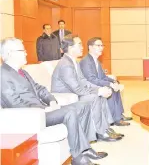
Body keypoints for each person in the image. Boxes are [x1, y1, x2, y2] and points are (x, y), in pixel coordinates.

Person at [0, 37, 107, 165]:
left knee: (83, 105)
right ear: (10, 53)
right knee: (70, 112)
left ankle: (84, 148)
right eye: (22, 50)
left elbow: (39, 89)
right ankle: (78, 157)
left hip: (43, 109)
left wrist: (51, 100)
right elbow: (15, 104)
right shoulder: (3, 75)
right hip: (32, 117)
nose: (26, 52)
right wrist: (43, 109)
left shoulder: (21, 71)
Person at [51, 34, 124, 141]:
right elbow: (77, 89)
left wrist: (100, 89)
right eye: (79, 44)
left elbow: (83, 81)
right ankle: (101, 132)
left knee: (101, 95)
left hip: (74, 92)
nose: (82, 47)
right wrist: (98, 91)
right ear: (70, 48)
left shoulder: (74, 62)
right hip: (66, 96)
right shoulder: (65, 64)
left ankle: (105, 128)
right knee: (95, 97)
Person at [80, 37, 131, 126]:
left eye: (102, 45)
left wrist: (113, 81)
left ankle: (118, 115)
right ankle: (115, 118)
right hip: (90, 87)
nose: (101, 48)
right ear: (90, 47)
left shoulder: (96, 60)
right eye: (98, 45)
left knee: (115, 84)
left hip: (96, 83)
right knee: (109, 87)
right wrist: (109, 83)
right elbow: (91, 79)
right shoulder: (86, 61)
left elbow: (102, 76)